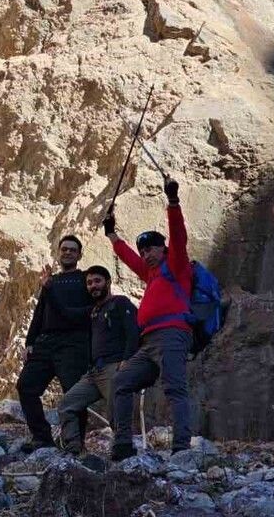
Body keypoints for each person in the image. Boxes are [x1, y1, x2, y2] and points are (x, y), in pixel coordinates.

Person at [104, 178, 193, 458]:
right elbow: (129, 258)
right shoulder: (151, 274)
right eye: (144, 251)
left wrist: (173, 202)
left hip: (171, 335)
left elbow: (178, 235)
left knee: (175, 388)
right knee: (121, 383)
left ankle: (181, 449)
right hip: (148, 342)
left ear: (162, 249)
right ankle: (122, 444)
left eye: (151, 249)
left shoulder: (176, 265)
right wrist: (112, 236)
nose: (146, 255)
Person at [16, 235, 93, 450]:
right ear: (59, 253)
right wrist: (30, 341)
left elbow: (88, 311)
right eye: (64, 249)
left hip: (73, 343)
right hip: (46, 342)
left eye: (72, 250)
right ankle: (42, 437)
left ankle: (75, 442)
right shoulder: (52, 281)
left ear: (79, 255)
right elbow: (40, 312)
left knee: (73, 393)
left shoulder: (85, 278)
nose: (67, 253)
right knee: (26, 387)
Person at [56, 265, 139, 456]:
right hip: (93, 372)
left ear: (108, 282)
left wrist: (127, 360)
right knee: (66, 404)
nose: (93, 286)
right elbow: (67, 314)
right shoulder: (93, 311)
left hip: (113, 366)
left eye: (97, 281)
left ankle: (124, 448)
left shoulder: (121, 303)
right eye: (89, 283)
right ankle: (73, 448)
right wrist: (49, 289)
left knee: (116, 410)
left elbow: (133, 332)